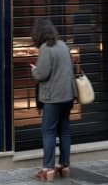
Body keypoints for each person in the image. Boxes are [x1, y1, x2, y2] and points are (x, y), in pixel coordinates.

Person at [30, 17, 75, 181]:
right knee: (64, 130)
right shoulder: (63, 45)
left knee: (48, 132)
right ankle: (64, 166)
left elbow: (42, 74)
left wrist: (34, 70)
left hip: (52, 98)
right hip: (67, 96)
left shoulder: (45, 48)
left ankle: (48, 169)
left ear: (38, 33)